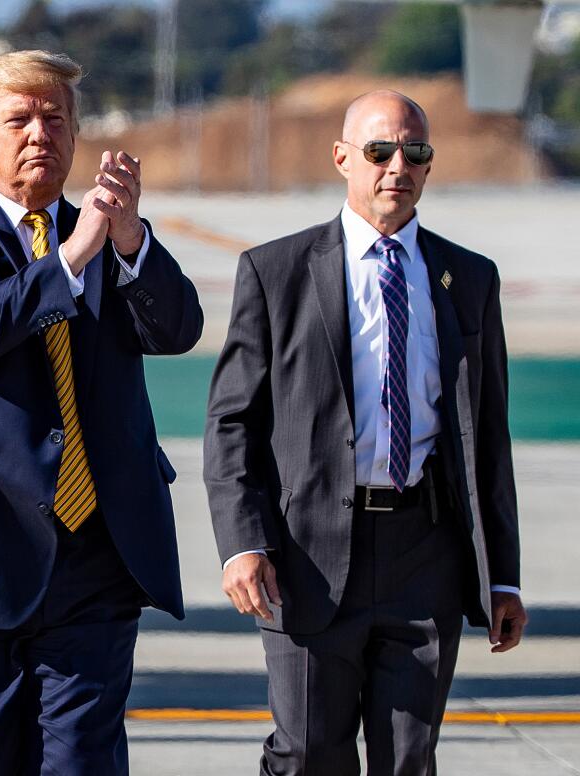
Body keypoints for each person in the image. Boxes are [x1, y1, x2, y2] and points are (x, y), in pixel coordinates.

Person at [0, 50, 203, 775]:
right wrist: (70, 258)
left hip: (94, 555)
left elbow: (177, 330)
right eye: (18, 118)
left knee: (84, 765)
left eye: (55, 119)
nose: (39, 134)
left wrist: (128, 243)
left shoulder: (109, 241)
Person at [204, 90, 527, 775]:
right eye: (379, 152)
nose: (396, 168)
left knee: (408, 760)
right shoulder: (276, 272)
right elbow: (232, 422)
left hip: (425, 552)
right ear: (342, 158)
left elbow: (486, 437)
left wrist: (505, 578)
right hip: (308, 558)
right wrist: (242, 545)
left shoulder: (468, 278)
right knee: (307, 754)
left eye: (415, 153)